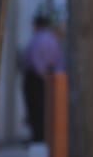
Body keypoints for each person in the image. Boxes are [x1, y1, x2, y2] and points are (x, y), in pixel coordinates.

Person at [21, 13, 63, 144]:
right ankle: (43, 135)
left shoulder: (37, 39)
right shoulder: (53, 39)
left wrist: (41, 74)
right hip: (48, 76)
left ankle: (38, 136)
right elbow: (58, 60)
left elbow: (34, 60)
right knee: (44, 108)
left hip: (35, 77)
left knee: (35, 108)